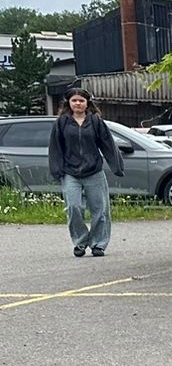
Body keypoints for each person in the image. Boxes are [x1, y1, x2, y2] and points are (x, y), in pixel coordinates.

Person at [47, 89, 124, 257]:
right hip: (70, 172)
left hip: (94, 171)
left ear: (87, 103)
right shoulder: (61, 123)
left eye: (81, 101)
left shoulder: (96, 122)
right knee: (73, 207)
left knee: (100, 209)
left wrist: (116, 166)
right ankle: (80, 242)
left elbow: (108, 144)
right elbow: (55, 148)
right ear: (69, 103)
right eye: (74, 100)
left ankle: (98, 244)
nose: (77, 104)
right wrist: (57, 170)